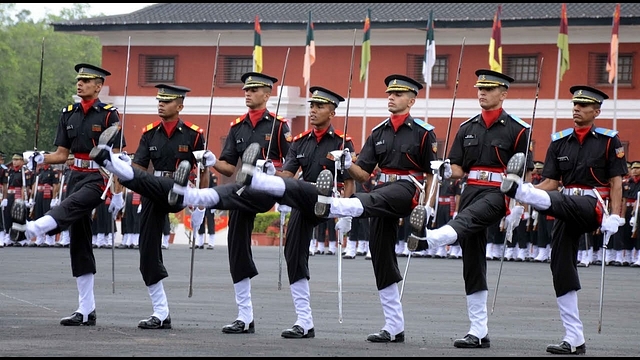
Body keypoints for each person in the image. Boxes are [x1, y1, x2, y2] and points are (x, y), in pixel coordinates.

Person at [229, 75, 436, 343]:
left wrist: (428, 206)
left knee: (352, 200)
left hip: (402, 191)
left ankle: (338, 204)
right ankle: (311, 322)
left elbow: (430, 174)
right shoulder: (376, 132)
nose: (391, 98)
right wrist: (276, 174)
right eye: (389, 94)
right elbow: (362, 174)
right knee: (310, 249)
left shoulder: (422, 132)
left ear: (411, 100)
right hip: (347, 196)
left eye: (397, 95)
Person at [96, 72, 291, 333]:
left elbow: (292, 166)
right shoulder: (236, 128)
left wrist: (276, 177)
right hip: (177, 189)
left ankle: (186, 193)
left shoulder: (278, 127)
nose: (247, 93)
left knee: (228, 196)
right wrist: (211, 160)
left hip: (261, 188)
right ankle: (171, 313)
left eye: (253, 90)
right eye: (245, 89)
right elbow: (226, 167)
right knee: (231, 250)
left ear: (267, 95)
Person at [409, 69, 532, 349]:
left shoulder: (519, 129)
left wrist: (518, 206)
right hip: (471, 190)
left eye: (488, 89)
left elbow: (524, 171)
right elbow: (458, 168)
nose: (482, 93)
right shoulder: (467, 128)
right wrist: (444, 169)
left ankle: (433, 238)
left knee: (468, 219)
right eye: (479, 89)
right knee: (472, 261)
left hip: (498, 193)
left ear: (503, 93)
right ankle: (478, 331)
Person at [500, 85, 627, 355]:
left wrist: (615, 216)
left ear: (597, 111)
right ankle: (574, 338)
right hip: (563, 205)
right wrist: (520, 207)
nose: (576, 109)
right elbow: (550, 182)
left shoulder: (608, 141)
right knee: (560, 267)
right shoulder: (559, 141)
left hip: (594, 204)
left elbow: (616, 182)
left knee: (566, 201)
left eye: (583, 106)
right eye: (574, 105)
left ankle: (520, 188)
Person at [11, 63, 125, 326]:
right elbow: (61, 155)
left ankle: (32, 229)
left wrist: (118, 193)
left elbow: (118, 156)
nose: (80, 84)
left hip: (100, 177)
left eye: (86, 80)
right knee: (79, 241)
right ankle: (86, 310)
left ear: (98, 86)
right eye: (78, 80)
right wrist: (38, 158)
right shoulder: (68, 113)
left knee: (72, 205)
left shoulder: (109, 115)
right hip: (74, 175)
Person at [92, 83, 207, 329]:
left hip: (181, 190)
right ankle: (161, 312)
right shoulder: (149, 133)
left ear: (180, 105)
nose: (161, 104)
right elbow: (141, 172)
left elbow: (203, 172)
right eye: (159, 100)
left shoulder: (193, 134)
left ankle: (114, 164)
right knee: (147, 254)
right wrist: (121, 188)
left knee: (171, 183)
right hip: (155, 190)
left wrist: (200, 205)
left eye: (166, 101)